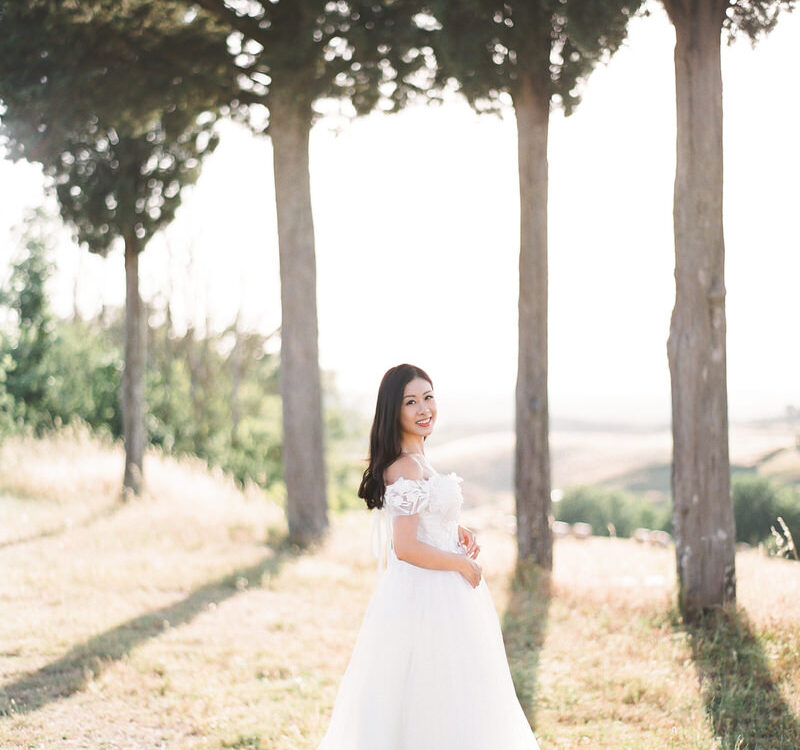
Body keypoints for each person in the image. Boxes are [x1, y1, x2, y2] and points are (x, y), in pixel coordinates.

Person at [316, 363, 541, 750]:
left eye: (428, 397)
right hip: (425, 596)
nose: (424, 409)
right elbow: (405, 547)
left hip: (445, 593)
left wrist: (456, 531)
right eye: (411, 402)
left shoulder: (419, 459)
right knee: (433, 690)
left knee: (460, 691)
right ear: (394, 411)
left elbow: (423, 519)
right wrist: (461, 563)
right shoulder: (405, 466)